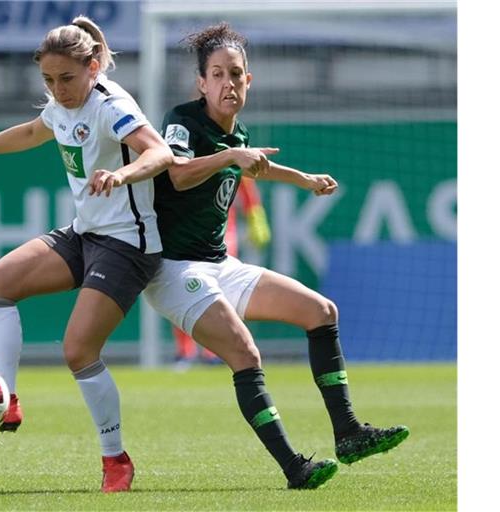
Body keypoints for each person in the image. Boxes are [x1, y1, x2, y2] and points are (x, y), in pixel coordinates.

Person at [144, 23, 410, 490]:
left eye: (237, 74)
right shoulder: (182, 120)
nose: (229, 83)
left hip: (219, 264)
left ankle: (347, 432)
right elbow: (179, 174)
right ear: (201, 83)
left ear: (249, 80)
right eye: (218, 74)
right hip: (174, 270)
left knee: (320, 311)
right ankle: (295, 468)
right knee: (246, 352)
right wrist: (233, 157)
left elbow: (256, 166)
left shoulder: (237, 132)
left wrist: (303, 179)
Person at [0, 16, 173, 493]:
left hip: (128, 244)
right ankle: (3, 395)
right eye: (48, 80)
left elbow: (160, 153)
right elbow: (32, 132)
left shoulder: (112, 106)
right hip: (86, 234)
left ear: (92, 67)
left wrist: (124, 176)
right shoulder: (62, 104)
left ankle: (116, 461)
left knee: (77, 350)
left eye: (66, 79)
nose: (58, 89)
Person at [172, 178, 270, 368]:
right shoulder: (184, 154)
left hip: (221, 232)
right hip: (186, 230)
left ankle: (213, 352)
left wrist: (255, 216)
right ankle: (185, 352)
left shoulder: (226, 153)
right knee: (182, 287)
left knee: (220, 292)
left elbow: (244, 178)